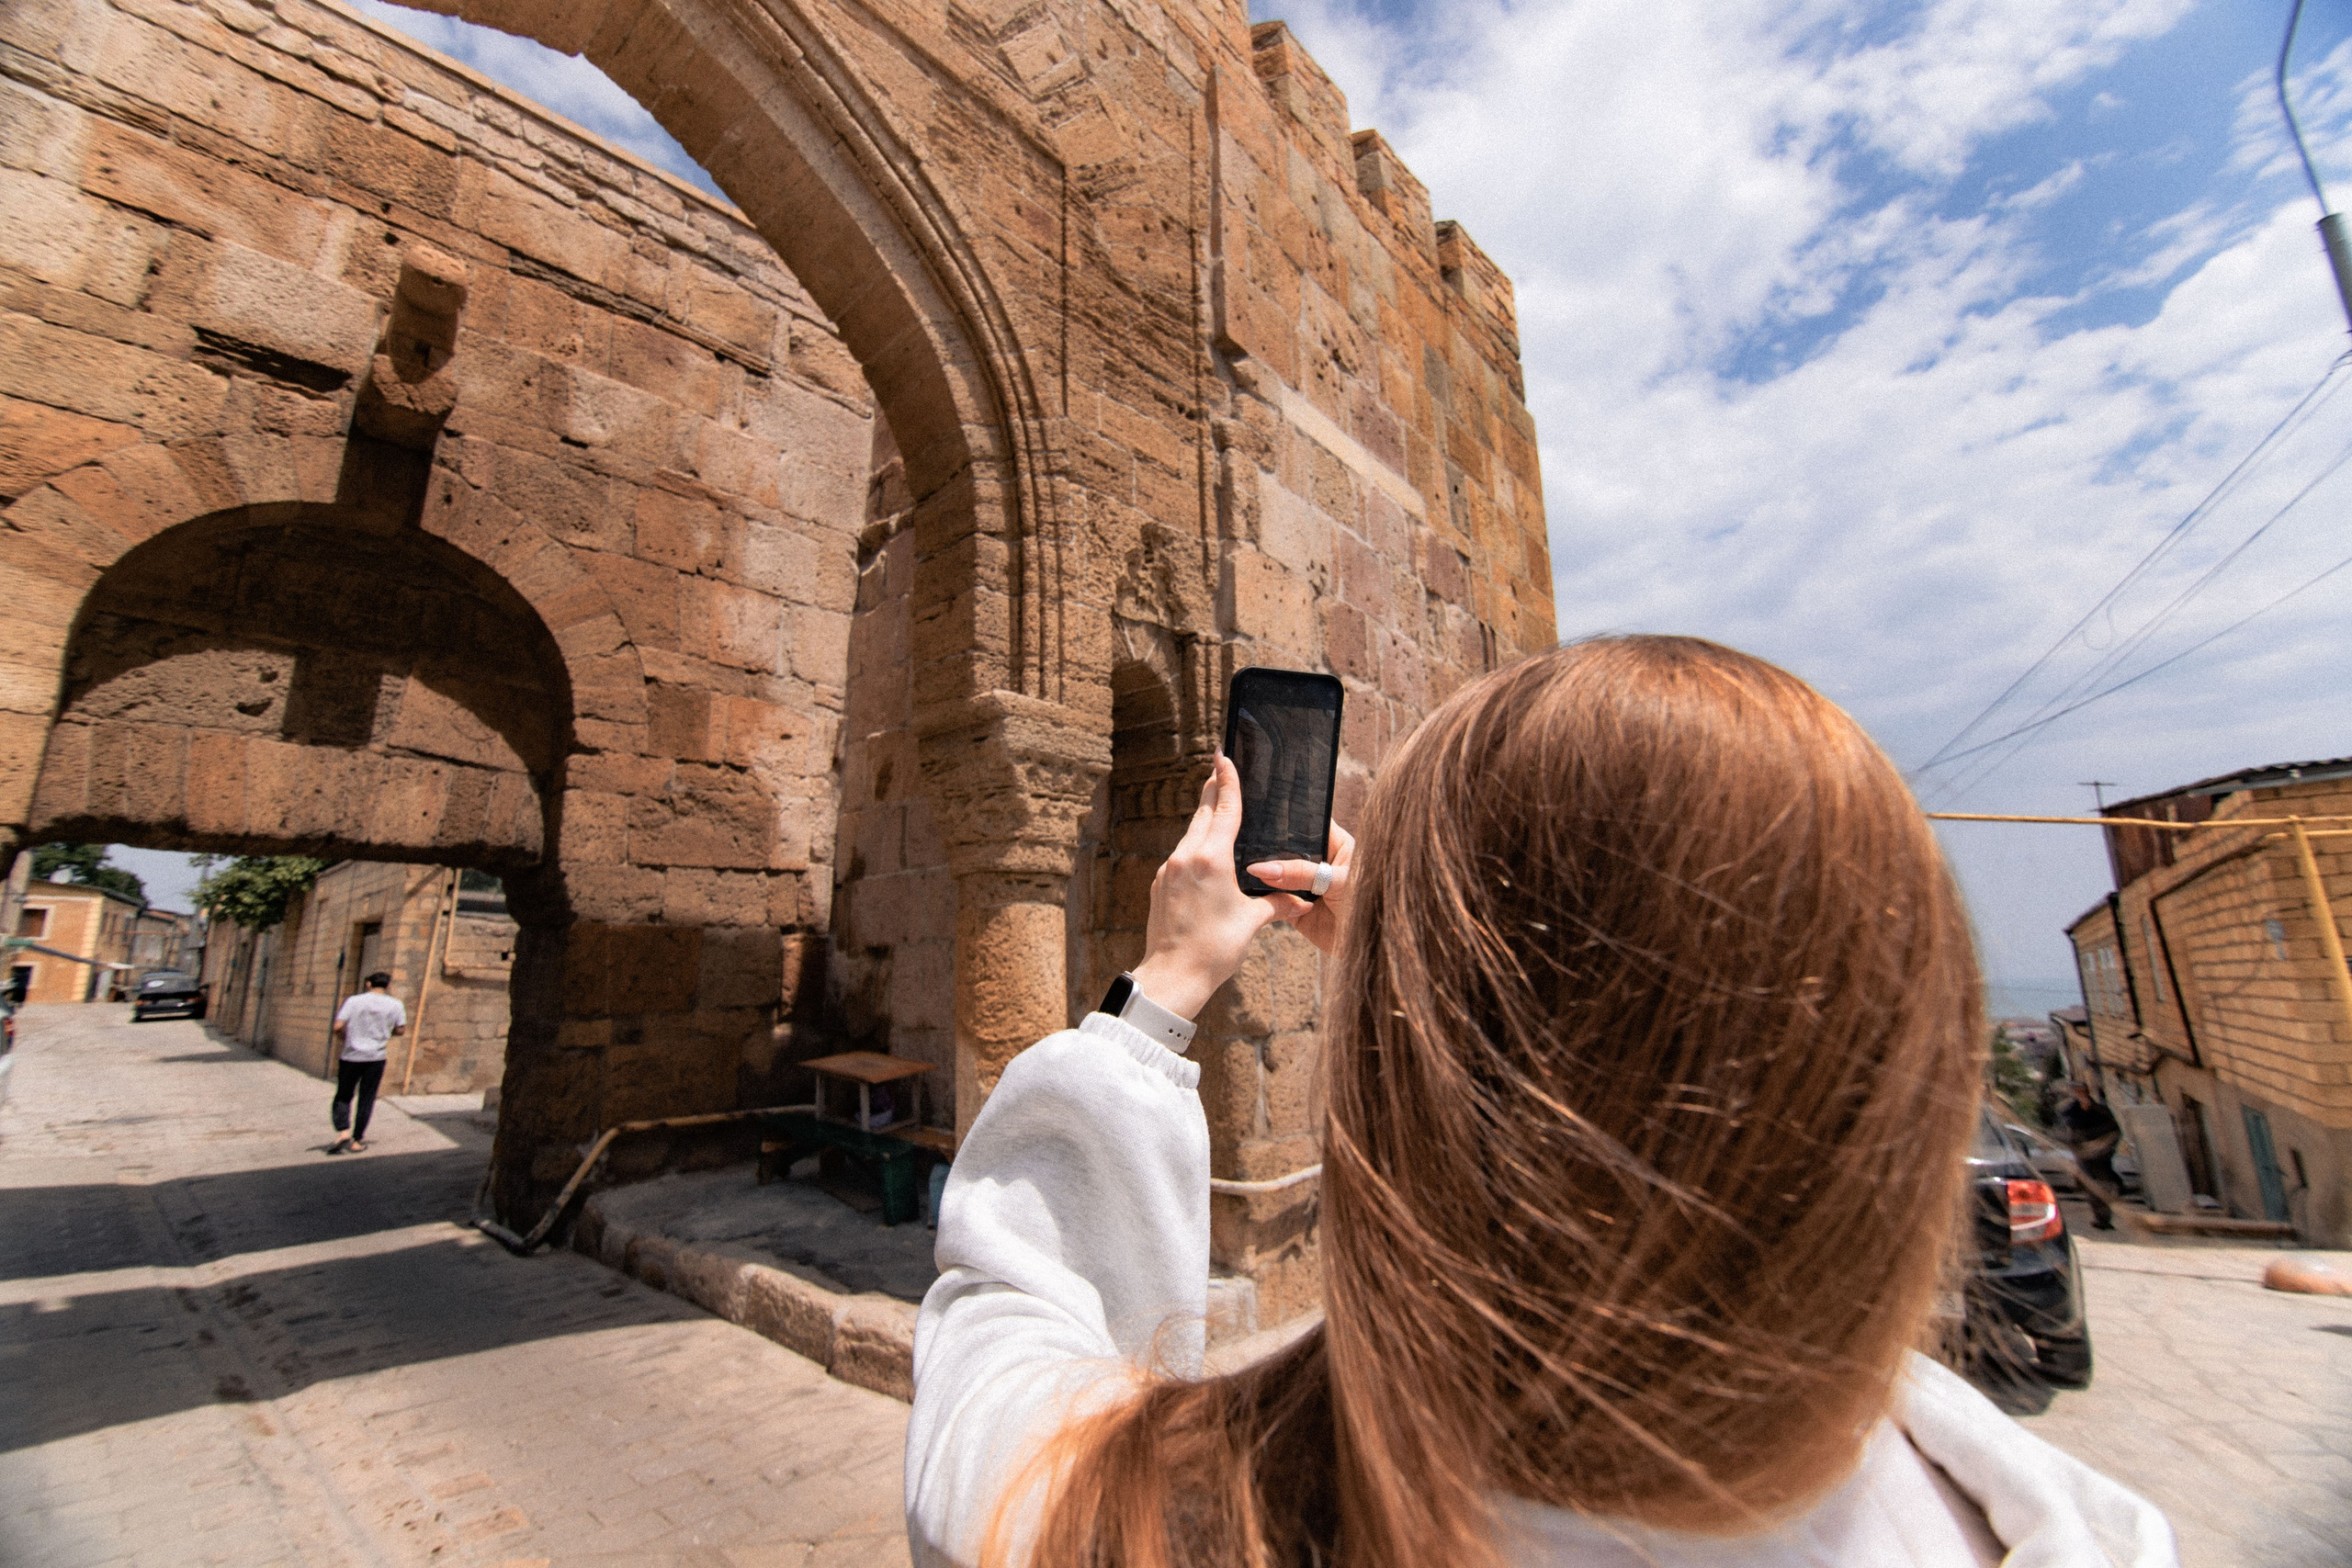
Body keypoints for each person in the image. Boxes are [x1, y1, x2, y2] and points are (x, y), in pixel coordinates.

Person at [906, 637, 2176, 1568]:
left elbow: (1007, 1321)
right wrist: (1447, 996)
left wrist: (1168, 985)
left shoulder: (1127, 1525)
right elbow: (1700, 1185)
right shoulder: (2014, 1508)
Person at [329, 971, 405, 1154]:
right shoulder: (395, 1004)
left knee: (344, 1095)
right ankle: (357, 1139)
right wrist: (385, 1033)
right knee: (367, 1098)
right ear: (387, 986)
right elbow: (401, 1030)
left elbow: (337, 1026)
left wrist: (344, 1038)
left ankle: (343, 1130)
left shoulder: (354, 1001)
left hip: (351, 1056)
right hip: (376, 1058)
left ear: (368, 984)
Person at [2058, 1080, 2124, 1231]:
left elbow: (2113, 1129)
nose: (2080, 1095)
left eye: (2083, 1091)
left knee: (2104, 1185)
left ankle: (2105, 1218)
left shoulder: (2100, 1109)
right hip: (2085, 1155)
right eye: (2077, 1092)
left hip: (2101, 1156)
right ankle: (2101, 1219)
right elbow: (2070, 1128)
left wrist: (2107, 1149)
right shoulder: (2071, 1110)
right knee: (2092, 1187)